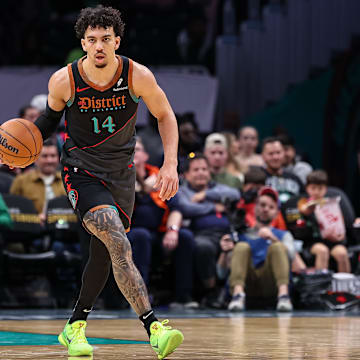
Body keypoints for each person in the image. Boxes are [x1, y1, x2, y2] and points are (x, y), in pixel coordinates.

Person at [3, 6, 183, 359]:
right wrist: (12, 150)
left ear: (117, 41)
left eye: (105, 39)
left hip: (122, 174)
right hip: (81, 171)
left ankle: (74, 326)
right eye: (91, 40)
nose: (98, 46)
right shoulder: (64, 80)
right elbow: (46, 123)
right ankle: (154, 327)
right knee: (116, 237)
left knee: (104, 254)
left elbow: (165, 115)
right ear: (82, 43)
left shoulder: (137, 75)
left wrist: (171, 164)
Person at [127, 137, 197, 308]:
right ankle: (140, 298)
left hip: (159, 232)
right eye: (130, 149)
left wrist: (172, 230)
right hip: (132, 232)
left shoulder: (160, 176)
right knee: (141, 236)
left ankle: (183, 296)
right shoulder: (120, 178)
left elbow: (176, 208)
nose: (134, 152)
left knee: (185, 236)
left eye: (138, 149)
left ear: (146, 155)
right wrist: (143, 187)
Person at [177, 154, 240, 307]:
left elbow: (235, 194)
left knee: (242, 246)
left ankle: (236, 292)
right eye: (196, 169)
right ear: (186, 174)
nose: (201, 173)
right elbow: (186, 207)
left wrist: (205, 195)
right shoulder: (183, 191)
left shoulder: (216, 188)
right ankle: (212, 290)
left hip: (226, 232)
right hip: (201, 234)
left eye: (204, 169)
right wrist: (213, 207)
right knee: (203, 247)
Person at [220, 187, 293, 312]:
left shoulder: (284, 235)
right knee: (242, 246)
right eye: (262, 205)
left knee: (278, 247)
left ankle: (284, 296)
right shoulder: (239, 235)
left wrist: (273, 238)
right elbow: (221, 273)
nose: (266, 209)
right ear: (254, 208)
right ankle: (238, 295)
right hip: (246, 283)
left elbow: (291, 258)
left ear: (276, 213)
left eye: (271, 207)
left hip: (271, 283)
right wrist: (224, 252)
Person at [298, 170, 351, 273]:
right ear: (307, 188)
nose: (316, 192)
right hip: (312, 243)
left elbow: (341, 225)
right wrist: (309, 210)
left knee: (342, 253)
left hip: (333, 242)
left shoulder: (332, 204)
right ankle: (320, 285)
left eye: (320, 188)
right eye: (313, 188)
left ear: (325, 189)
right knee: (322, 250)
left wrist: (340, 236)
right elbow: (303, 211)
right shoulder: (303, 203)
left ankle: (345, 286)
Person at [10, 139, 65, 225]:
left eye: (53, 156)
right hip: (30, 231)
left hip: (63, 231)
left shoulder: (66, 181)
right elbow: (13, 210)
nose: (49, 160)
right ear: (36, 159)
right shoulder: (21, 181)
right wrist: (35, 219)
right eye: (44, 156)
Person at [261, 137, 304, 205]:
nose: (275, 157)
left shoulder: (295, 179)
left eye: (278, 152)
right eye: (271, 154)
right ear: (263, 156)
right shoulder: (258, 179)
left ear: (284, 153)